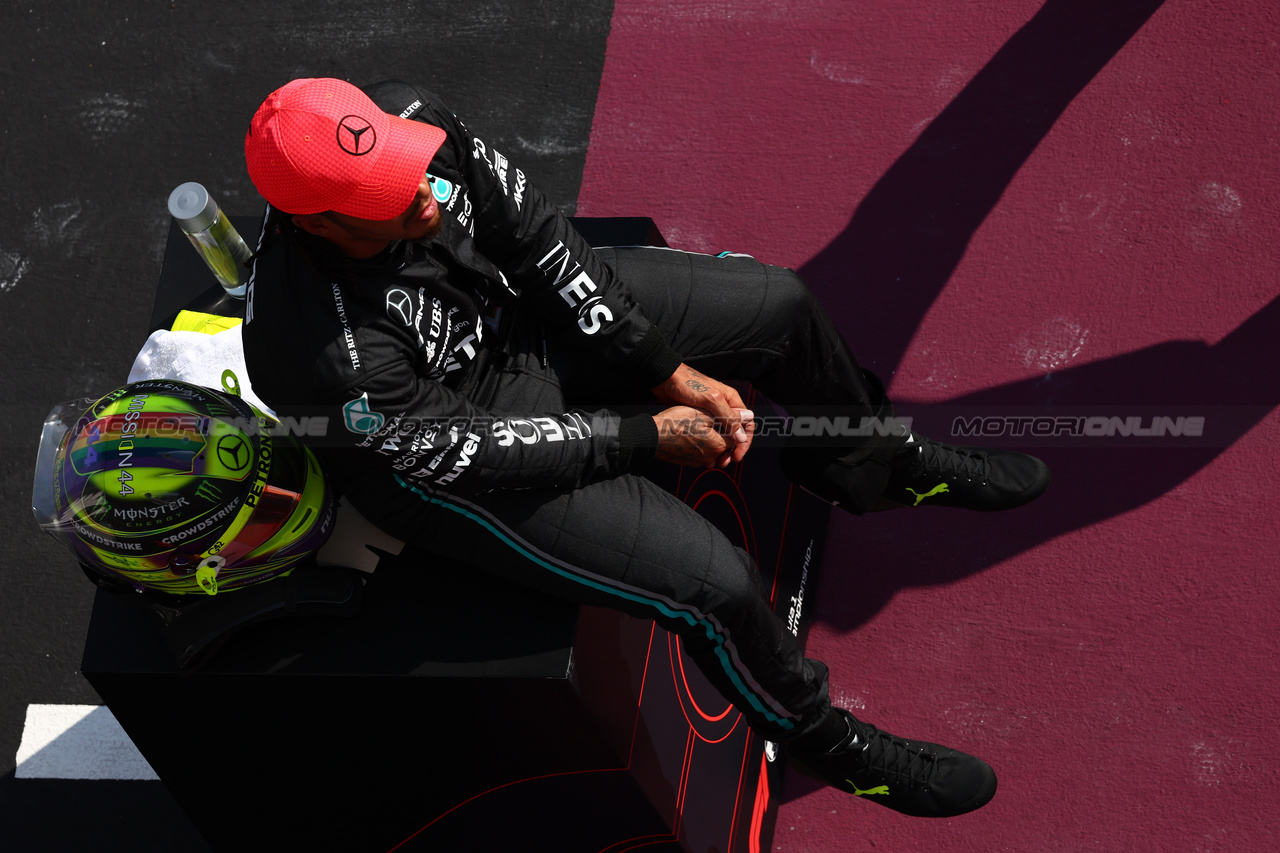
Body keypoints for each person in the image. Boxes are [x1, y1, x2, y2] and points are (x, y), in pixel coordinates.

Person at [240, 77, 1049, 818]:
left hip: (519, 329)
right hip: (458, 468)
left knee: (781, 304)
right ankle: (821, 740)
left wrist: (664, 369)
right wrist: (648, 434)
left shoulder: (418, 122)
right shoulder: (313, 353)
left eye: (408, 167)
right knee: (718, 583)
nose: (419, 190)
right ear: (318, 221)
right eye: (385, 195)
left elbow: (540, 244)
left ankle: (867, 463)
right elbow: (483, 454)